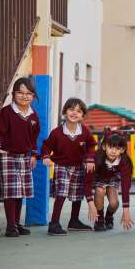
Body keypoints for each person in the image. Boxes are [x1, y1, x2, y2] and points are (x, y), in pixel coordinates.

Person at [0, 77, 40, 237]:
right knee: (11, 192)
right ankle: (10, 226)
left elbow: (34, 138)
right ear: (14, 94)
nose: (24, 96)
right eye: (20, 93)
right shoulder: (6, 112)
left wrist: (34, 155)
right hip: (8, 155)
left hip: (25, 157)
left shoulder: (33, 116)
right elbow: (0, 133)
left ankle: (16, 223)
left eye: (29, 93)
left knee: (20, 191)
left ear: (33, 96)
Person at [42, 98, 97, 235]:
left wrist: (90, 159)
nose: (74, 113)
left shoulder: (84, 131)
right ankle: (54, 223)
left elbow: (91, 145)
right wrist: (46, 156)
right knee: (61, 193)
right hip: (62, 166)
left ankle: (74, 221)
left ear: (82, 116)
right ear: (65, 111)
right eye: (71, 109)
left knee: (77, 194)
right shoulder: (57, 132)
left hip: (79, 166)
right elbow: (47, 146)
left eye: (78, 111)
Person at [84, 131, 134, 231]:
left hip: (113, 179)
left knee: (114, 203)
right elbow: (87, 182)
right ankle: (100, 219)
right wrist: (91, 204)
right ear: (104, 147)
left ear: (123, 150)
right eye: (110, 147)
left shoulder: (125, 162)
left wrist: (126, 210)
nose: (113, 151)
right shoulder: (96, 158)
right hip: (98, 178)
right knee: (100, 190)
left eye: (117, 148)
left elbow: (125, 186)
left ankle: (109, 216)